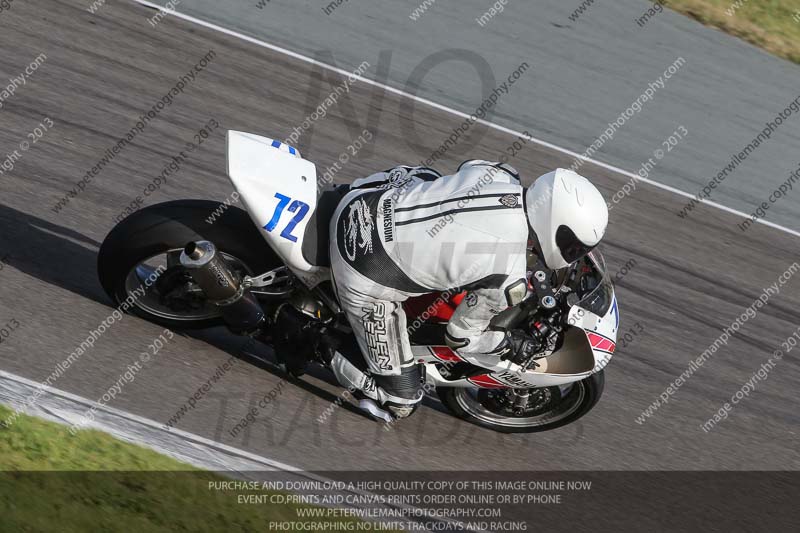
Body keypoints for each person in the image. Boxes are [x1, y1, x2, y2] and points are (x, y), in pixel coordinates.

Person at [327, 161, 608, 420]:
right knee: (402, 401)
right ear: (554, 226)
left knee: (430, 177)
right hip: (362, 268)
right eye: (574, 247)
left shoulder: (500, 174)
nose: (575, 254)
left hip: (362, 201)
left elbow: (468, 168)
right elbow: (461, 339)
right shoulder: (508, 277)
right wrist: (511, 343)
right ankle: (320, 341)